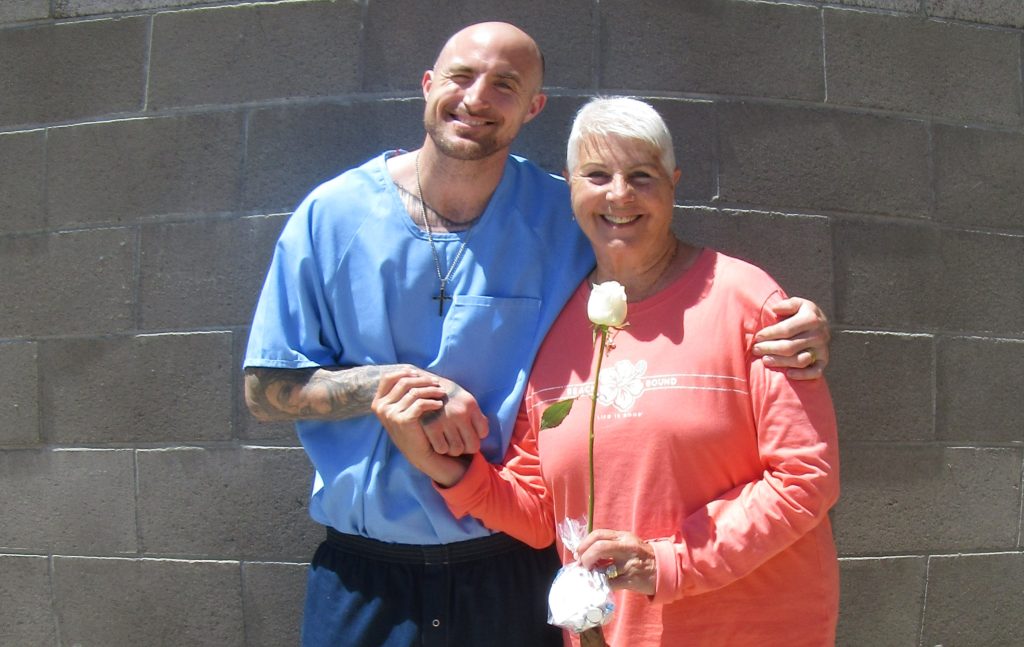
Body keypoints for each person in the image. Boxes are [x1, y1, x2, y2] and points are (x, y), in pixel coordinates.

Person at [244, 22, 832, 647]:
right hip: (369, 573)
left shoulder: (564, 217)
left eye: (505, 84)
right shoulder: (332, 215)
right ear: (427, 83)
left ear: (534, 107)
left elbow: (668, 277)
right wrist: (395, 392)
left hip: (511, 575)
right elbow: (263, 390)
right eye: (461, 76)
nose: (477, 98)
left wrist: (797, 323)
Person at [396, 97, 840, 647]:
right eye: (598, 175)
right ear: (570, 188)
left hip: (752, 631)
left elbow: (805, 477)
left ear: (673, 184)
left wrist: (669, 563)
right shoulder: (556, 327)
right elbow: (541, 512)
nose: (619, 194)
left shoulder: (747, 301)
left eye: (642, 175)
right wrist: (445, 468)